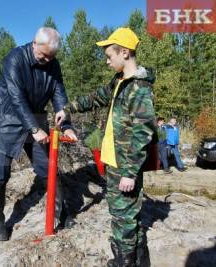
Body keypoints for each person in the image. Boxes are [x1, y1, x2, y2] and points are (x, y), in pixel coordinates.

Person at [70, 28, 155, 266]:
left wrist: (130, 172)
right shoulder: (120, 82)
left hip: (125, 164)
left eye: (110, 55)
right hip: (115, 161)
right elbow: (96, 97)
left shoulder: (138, 88)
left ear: (125, 53)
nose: (107, 61)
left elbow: (143, 132)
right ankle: (139, 260)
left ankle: (124, 262)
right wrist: (67, 109)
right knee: (128, 216)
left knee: (123, 217)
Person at [0, 27, 77, 241]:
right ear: (34, 44)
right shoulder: (14, 59)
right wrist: (34, 129)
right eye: (43, 55)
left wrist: (67, 125)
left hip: (35, 117)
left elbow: (59, 95)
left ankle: (60, 212)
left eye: (51, 57)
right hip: (7, 120)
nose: (46, 60)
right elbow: (16, 97)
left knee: (48, 167)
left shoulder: (53, 64)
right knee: (2, 172)